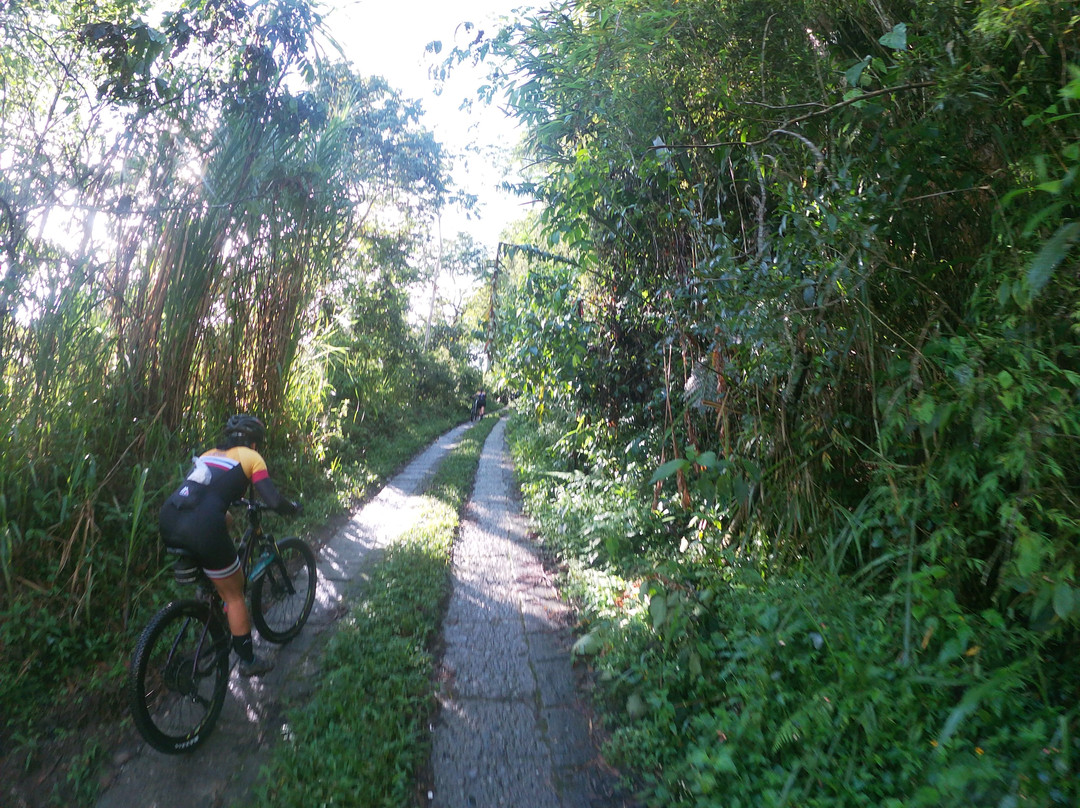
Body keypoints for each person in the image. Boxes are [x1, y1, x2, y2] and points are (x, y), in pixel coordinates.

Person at [158, 414, 300, 677]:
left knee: (226, 521)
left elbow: (204, 494)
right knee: (235, 593)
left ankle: (207, 588)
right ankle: (248, 661)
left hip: (170, 517)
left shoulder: (209, 453)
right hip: (202, 525)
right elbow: (271, 498)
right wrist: (291, 508)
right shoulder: (251, 457)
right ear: (254, 442)